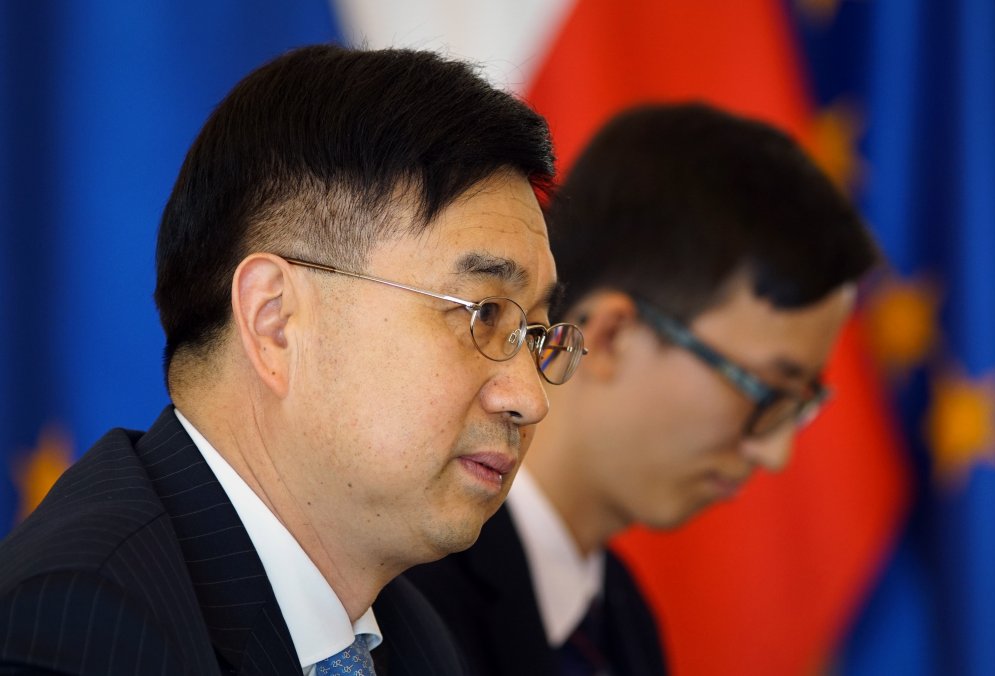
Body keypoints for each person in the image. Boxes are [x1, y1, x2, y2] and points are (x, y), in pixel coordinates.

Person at [0, 45, 586, 675]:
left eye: (536, 332)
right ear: (275, 321)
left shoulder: (415, 642)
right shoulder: (78, 627)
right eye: (484, 313)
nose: (530, 399)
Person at [405, 102, 880, 675]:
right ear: (611, 336)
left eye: (799, 405)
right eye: (763, 391)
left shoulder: (622, 620)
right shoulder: (409, 592)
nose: (773, 453)